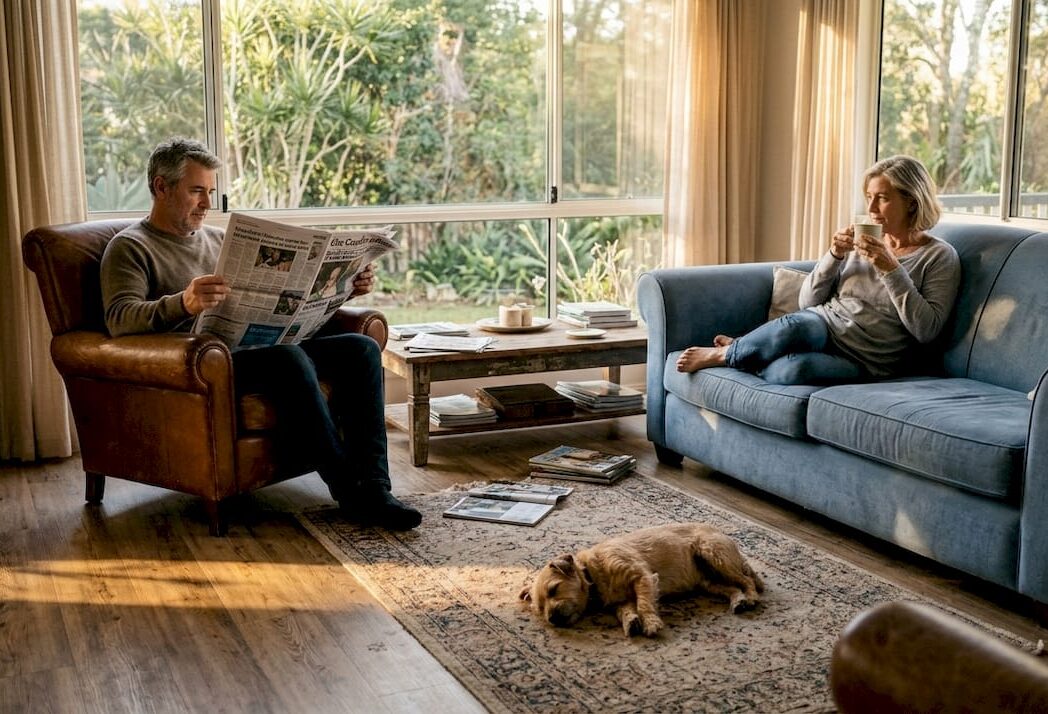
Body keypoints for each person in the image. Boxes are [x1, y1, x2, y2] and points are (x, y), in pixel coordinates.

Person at [100, 137, 422, 530]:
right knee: (289, 358)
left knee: (359, 349)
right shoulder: (130, 247)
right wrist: (183, 303)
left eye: (210, 192)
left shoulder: (219, 241)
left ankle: (375, 487)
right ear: (160, 187)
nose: (206, 203)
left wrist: (343, 289)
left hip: (261, 347)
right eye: (196, 191)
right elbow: (119, 318)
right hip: (205, 369)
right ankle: (349, 491)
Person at [676, 155, 961, 385]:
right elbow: (807, 303)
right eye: (869, 197)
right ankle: (728, 353)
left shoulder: (939, 256)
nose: (871, 207)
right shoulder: (865, 241)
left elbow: (927, 330)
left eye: (882, 198)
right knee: (797, 325)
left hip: (870, 359)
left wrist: (891, 269)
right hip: (824, 327)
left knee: (791, 373)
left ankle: (747, 348)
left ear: (912, 201)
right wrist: (834, 255)